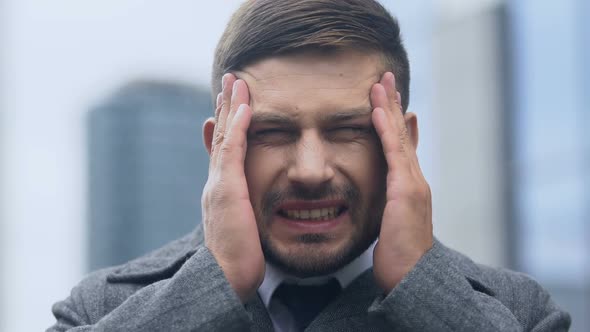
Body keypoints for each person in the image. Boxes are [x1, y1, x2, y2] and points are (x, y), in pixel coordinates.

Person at [47, 1, 571, 331]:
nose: (311, 169)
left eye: (348, 130)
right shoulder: (101, 309)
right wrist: (213, 286)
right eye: (273, 133)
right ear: (219, 145)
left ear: (403, 142)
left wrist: (425, 294)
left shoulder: (519, 313)